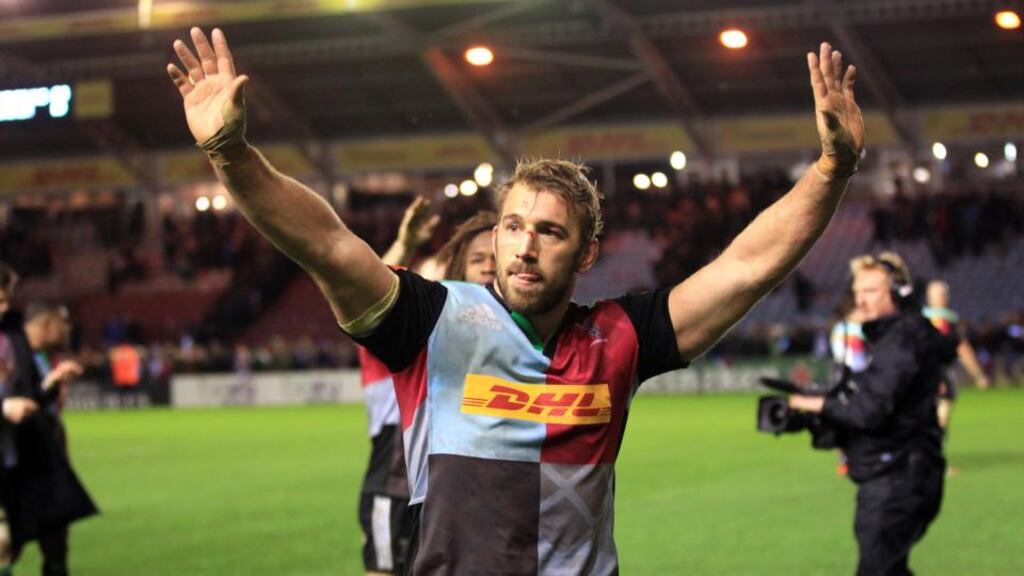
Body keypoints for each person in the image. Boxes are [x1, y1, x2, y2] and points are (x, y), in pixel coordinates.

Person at [168, 28, 863, 573]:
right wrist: (231, 153)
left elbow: (745, 269)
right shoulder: (432, 320)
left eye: (550, 232)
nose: (525, 247)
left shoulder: (622, 335)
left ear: (586, 253)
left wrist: (833, 169)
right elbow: (327, 243)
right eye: (513, 227)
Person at [789, 253, 957, 576]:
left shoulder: (901, 340)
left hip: (898, 477)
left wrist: (817, 405)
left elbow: (870, 410)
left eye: (871, 291)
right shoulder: (905, 333)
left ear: (897, 293)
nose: (860, 300)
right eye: (857, 292)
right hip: (903, 472)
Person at [358, 204, 496, 575]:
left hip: (457, 496)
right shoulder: (407, 332)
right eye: (477, 259)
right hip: (396, 485)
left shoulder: (502, 338)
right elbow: (368, 289)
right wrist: (404, 246)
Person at [0, 301, 98, 576]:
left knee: (52, 547)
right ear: (46, 325)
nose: (67, 328)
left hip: (39, 463)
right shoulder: (12, 350)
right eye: (62, 322)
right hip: (20, 465)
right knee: (8, 546)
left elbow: (33, 402)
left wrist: (51, 387)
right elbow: (18, 404)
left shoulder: (34, 356)